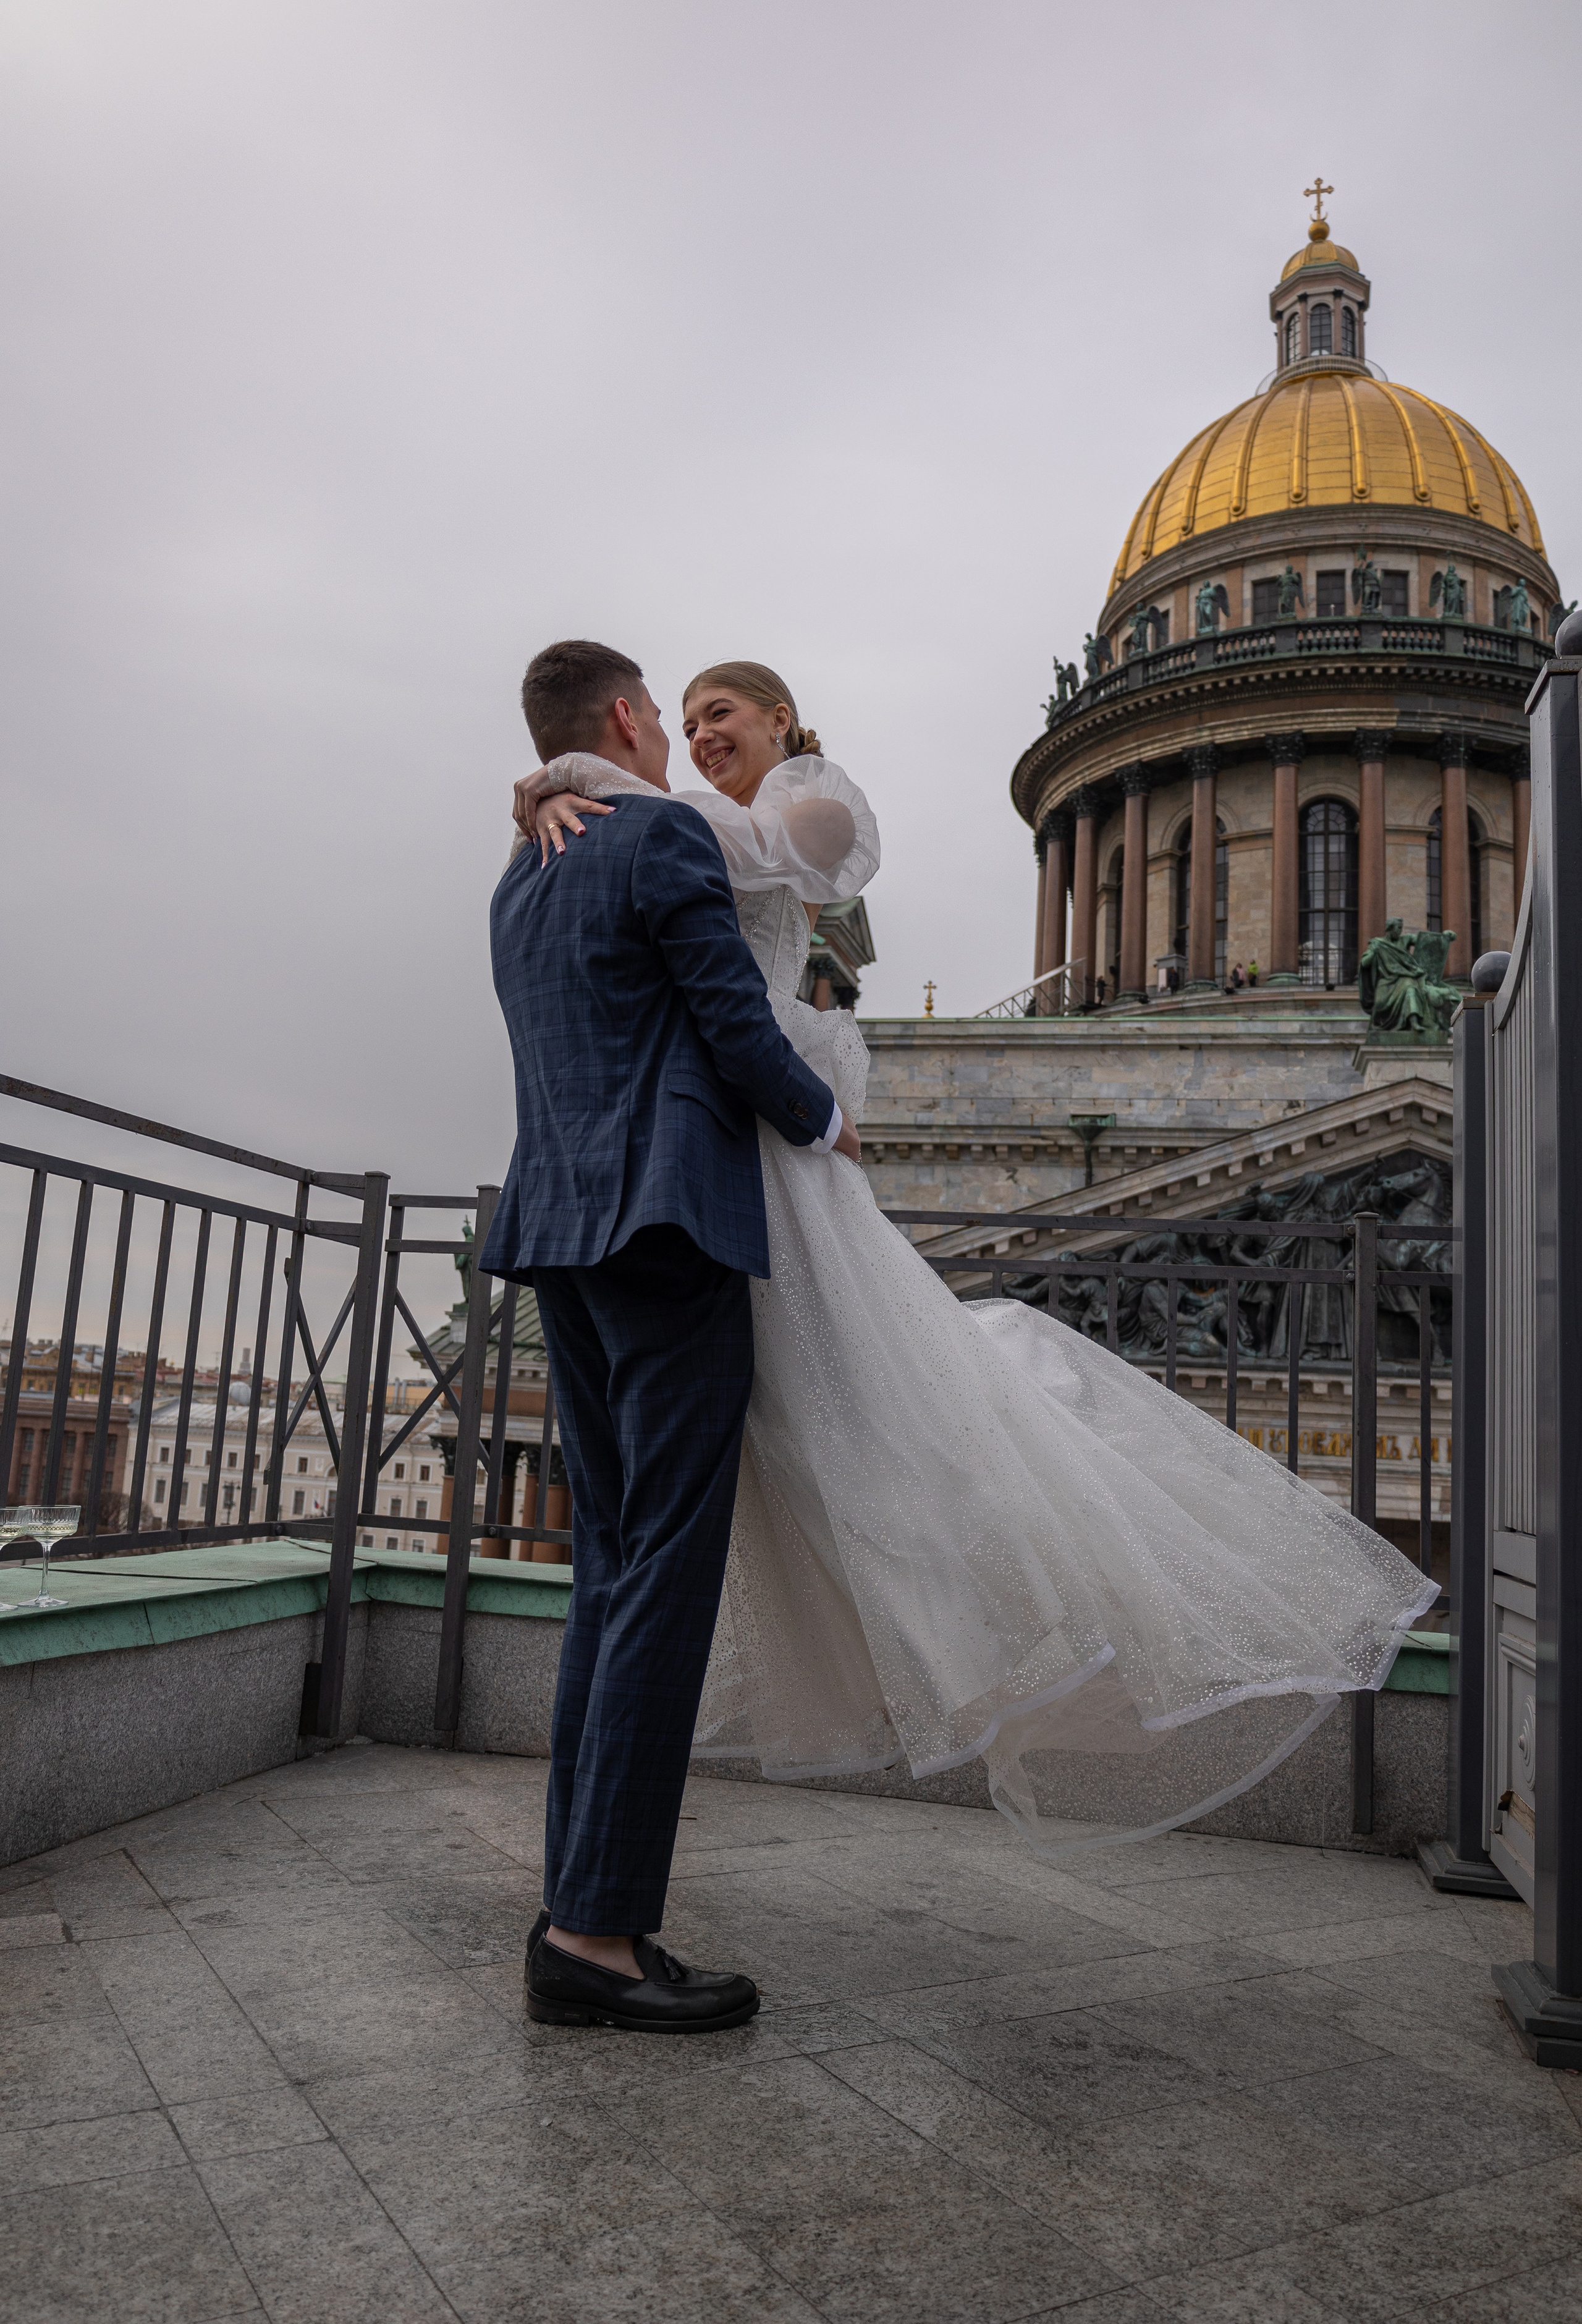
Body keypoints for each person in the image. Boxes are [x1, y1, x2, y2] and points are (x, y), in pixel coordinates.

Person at [516, 658, 1436, 1862]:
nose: (695, 737)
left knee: (828, 1444)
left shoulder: (794, 815)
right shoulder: (674, 827)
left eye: (718, 715)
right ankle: (607, 1884)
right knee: (775, 1460)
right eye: (681, 723)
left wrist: (561, 782)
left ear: (782, 720)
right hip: (708, 1182)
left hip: (727, 1168)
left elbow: (745, 879)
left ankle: (607, 1887)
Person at [481, 639, 860, 2035]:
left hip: (556, 1235)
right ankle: (592, 1932)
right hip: (669, 1231)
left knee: (608, 1571)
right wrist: (823, 1117)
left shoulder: (521, 874)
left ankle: (573, 1907)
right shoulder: (651, 840)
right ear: (632, 718)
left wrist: (533, 793)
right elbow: (727, 1028)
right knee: (662, 1581)